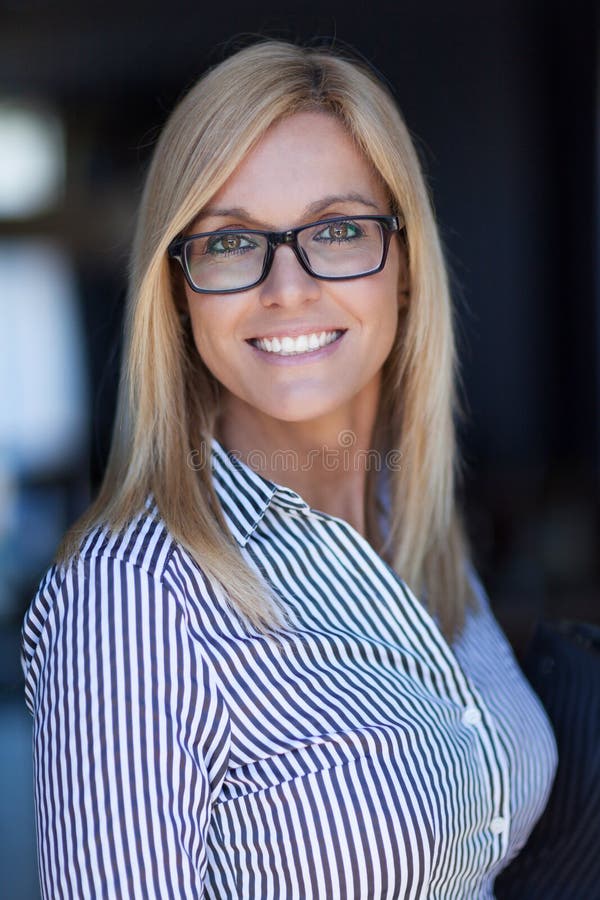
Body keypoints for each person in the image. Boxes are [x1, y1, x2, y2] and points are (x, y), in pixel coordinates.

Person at [21, 39, 558, 899]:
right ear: (180, 291)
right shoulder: (130, 601)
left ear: (406, 268)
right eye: (231, 242)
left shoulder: (411, 528)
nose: (288, 287)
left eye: (339, 230)